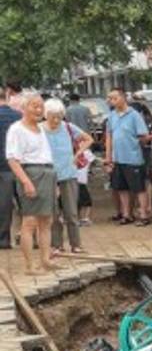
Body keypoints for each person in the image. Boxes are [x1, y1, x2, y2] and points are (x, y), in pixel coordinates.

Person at [5, 96, 58, 273]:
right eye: (34, 106)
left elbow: (46, 154)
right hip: (31, 173)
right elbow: (12, 159)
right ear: (24, 108)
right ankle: (29, 265)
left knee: (47, 220)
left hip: (47, 172)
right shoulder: (16, 129)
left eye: (41, 107)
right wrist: (26, 182)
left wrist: (54, 182)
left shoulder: (41, 129)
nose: (39, 110)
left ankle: (45, 259)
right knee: (30, 221)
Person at [43, 99, 90, 254]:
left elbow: (88, 139)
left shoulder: (68, 127)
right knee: (53, 212)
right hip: (48, 175)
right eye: (52, 116)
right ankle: (56, 245)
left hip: (68, 173)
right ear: (46, 115)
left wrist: (78, 153)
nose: (56, 120)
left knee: (71, 212)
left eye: (59, 116)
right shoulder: (40, 129)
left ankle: (76, 244)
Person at [104, 87, 152, 225]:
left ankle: (143, 215)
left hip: (133, 158)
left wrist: (140, 143)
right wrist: (108, 157)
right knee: (121, 188)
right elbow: (109, 136)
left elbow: (143, 135)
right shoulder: (112, 116)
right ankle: (126, 214)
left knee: (139, 188)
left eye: (114, 98)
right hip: (117, 158)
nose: (112, 101)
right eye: (110, 98)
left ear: (123, 98)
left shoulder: (134, 115)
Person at [0, 81, 23, 249]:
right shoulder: (18, 117)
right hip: (20, 165)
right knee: (25, 202)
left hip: (2, 167)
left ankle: (4, 239)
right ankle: (31, 236)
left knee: (4, 204)